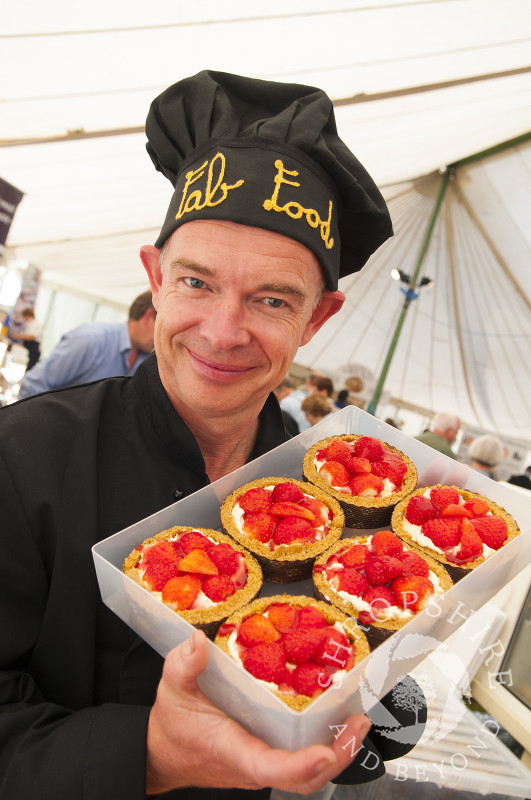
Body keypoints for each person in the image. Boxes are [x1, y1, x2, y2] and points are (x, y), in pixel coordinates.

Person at [0, 71, 424, 799]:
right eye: (196, 283)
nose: (223, 333)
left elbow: (345, 694)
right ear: (155, 276)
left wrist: (375, 699)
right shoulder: (19, 458)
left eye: (270, 299)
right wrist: (150, 755)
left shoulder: (321, 493)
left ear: (317, 318)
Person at [18, 289, 156, 398]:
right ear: (148, 317)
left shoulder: (147, 360)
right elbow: (33, 386)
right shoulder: (91, 339)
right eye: (163, 326)